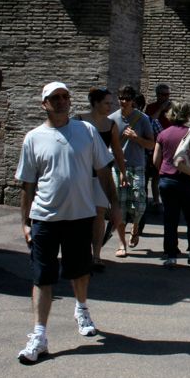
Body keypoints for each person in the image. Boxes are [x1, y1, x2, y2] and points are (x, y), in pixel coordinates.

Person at [15, 81, 121, 364]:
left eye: (65, 96)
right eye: (55, 98)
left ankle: (82, 308)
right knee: (42, 276)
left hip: (80, 215)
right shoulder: (33, 138)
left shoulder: (85, 131)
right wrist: (25, 222)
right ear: (44, 104)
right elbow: (28, 185)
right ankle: (39, 336)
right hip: (45, 218)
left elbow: (103, 171)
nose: (62, 101)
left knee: (80, 272)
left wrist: (115, 205)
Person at [76, 86, 127, 271]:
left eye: (110, 103)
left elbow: (118, 151)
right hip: (80, 174)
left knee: (99, 214)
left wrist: (123, 172)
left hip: (101, 174)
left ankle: (96, 256)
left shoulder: (110, 125)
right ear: (95, 103)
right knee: (80, 215)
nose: (109, 106)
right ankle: (79, 253)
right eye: (106, 103)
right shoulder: (79, 121)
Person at [154, 102, 190, 267]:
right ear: (188, 115)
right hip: (189, 181)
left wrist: (164, 170)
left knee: (170, 218)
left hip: (167, 181)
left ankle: (171, 255)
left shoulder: (163, 134)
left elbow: (156, 159)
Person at [109, 85, 154, 254]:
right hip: (117, 167)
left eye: (127, 98)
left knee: (139, 204)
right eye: (121, 98)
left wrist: (136, 138)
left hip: (137, 165)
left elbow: (151, 144)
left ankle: (135, 227)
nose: (124, 101)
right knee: (119, 206)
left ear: (133, 100)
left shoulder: (142, 119)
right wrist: (118, 169)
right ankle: (122, 244)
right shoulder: (112, 119)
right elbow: (108, 147)